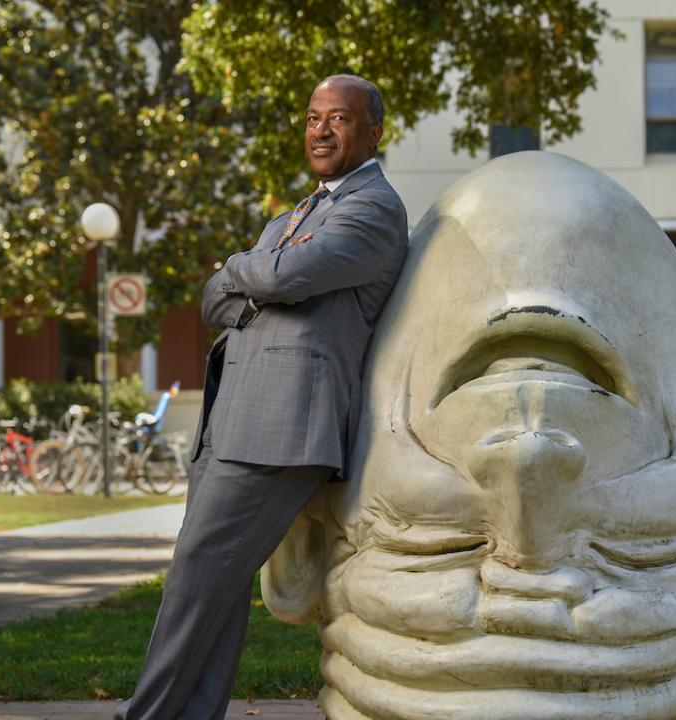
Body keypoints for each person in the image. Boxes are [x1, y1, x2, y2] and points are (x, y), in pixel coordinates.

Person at [116, 74, 408, 720]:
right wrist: (260, 275)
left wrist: (250, 268)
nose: (321, 130)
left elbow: (282, 273)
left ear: (372, 132)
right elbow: (213, 298)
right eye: (312, 118)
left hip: (285, 427)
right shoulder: (294, 215)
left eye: (338, 118)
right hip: (236, 417)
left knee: (195, 579)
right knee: (214, 590)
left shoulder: (374, 209)